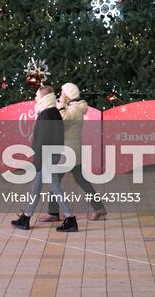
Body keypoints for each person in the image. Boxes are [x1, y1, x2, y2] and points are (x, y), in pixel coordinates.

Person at [11, 84, 78, 233]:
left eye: (37, 95)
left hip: (46, 156)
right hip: (50, 154)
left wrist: (38, 161)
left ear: (44, 98)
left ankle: (70, 219)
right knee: (36, 187)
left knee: (54, 186)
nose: (35, 98)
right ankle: (26, 217)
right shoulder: (53, 112)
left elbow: (43, 140)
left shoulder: (46, 115)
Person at [39, 82, 106, 223]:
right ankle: (98, 207)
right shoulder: (72, 107)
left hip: (68, 150)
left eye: (63, 93)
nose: (60, 95)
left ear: (69, 94)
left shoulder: (75, 109)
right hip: (69, 149)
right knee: (79, 179)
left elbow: (61, 119)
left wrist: (61, 104)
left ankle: (53, 213)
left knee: (55, 180)